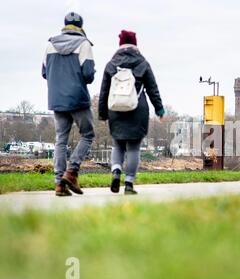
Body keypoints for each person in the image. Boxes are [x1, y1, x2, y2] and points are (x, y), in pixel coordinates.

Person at [99, 30, 165, 195]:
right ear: (135, 44)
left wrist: (103, 114)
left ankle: (115, 171)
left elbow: (104, 92)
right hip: (137, 109)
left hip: (115, 110)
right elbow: (152, 89)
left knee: (118, 144)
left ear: (120, 44)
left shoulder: (111, 64)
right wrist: (159, 109)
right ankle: (128, 184)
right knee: (134, 148)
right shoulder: (142, 63)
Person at [42, 12, 96, 197]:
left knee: (61, 140)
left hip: (57, 99)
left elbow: (44, 72)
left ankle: (59, 184)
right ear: (81, 25)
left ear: (65, 25)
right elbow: (88, 74)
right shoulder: (84, 44)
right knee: (88, 135)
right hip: (77, 98)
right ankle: (72, 171)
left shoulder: (50, 44)